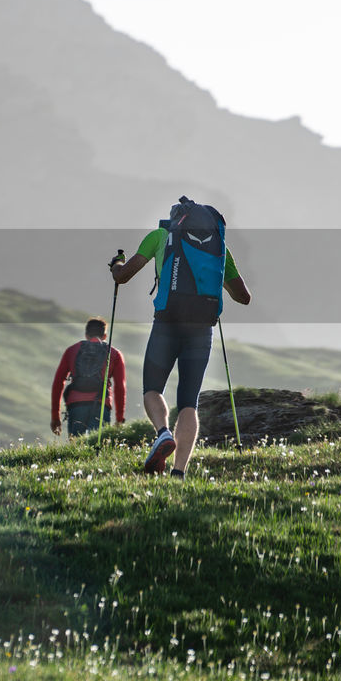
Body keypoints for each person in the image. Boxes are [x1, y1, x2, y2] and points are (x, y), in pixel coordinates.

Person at [110, 198, 251, 476]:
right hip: (202, 327)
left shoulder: (161, 236)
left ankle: (163, 433)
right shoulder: (219, 247)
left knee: (152, 388)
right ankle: (178, 473)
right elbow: (243, 297)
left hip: (167, 323)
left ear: (176, 219)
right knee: (189, 401)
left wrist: (117, 264)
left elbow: (123, 276)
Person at [50, 316, 126, 437]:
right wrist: (120, 418)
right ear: (105, 336)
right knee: (97, 447)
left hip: (76, 404)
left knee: (76, 449)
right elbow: (120, 387)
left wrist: (55, 416)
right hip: (101, 405)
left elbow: (58, 382)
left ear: (86, 335)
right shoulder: (114, 354)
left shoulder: (72, 351)